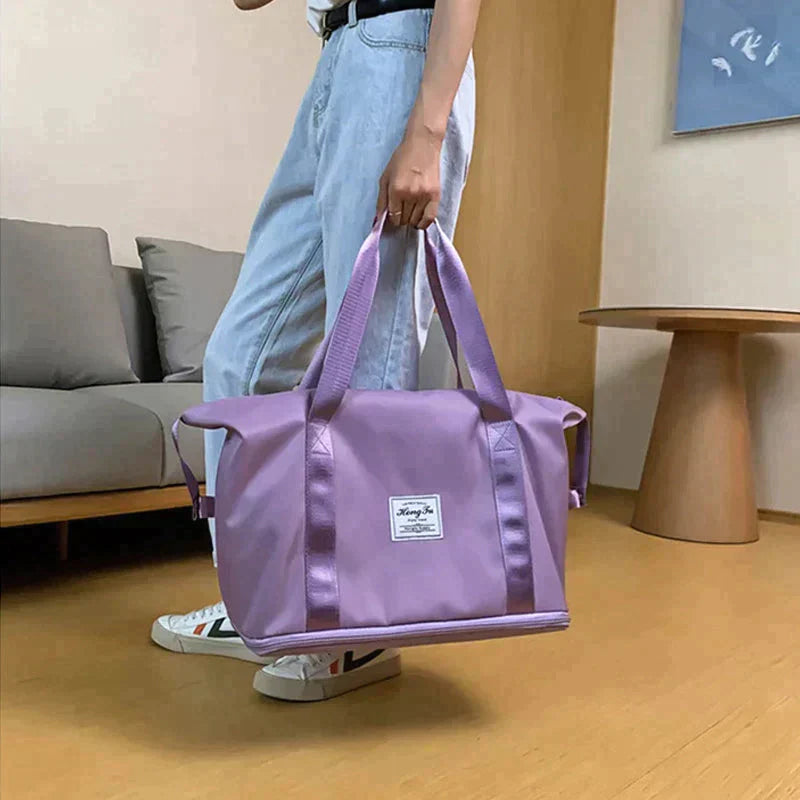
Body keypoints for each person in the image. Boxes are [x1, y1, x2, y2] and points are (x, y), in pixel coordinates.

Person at [151, 0, 480, 701]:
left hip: (403, 50)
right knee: (240, 359)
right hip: (338, 57)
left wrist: (428, 130)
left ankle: (360, 628)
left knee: (369, 367)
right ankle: (263, 605)